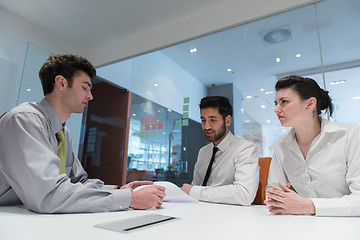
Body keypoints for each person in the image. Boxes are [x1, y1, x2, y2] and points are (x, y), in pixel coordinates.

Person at [0, 54, 165, 213]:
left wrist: (118, 189)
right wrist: (129, 199)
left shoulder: (63, 132)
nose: (90, 96)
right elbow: (48, 195)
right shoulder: (25, 120)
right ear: (61, 83)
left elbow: (79, 181)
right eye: (85, 87)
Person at [265, 75, 360, 216]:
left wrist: (309, 206)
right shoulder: (283, 144)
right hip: (303, 225)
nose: (276, 109)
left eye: (284, 101)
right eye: (276, 103)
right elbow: (273, 191)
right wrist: (276, 197)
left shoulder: (349, 135)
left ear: (310, 103)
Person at [181, 96, 258, 205]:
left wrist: (194, 191)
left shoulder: (244, 148)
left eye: (213, 120)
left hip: (230, 216)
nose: (206, 126)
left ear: (227, 120)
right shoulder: (203, 152)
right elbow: (195, 188)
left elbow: (244, 194)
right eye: (203, 120)